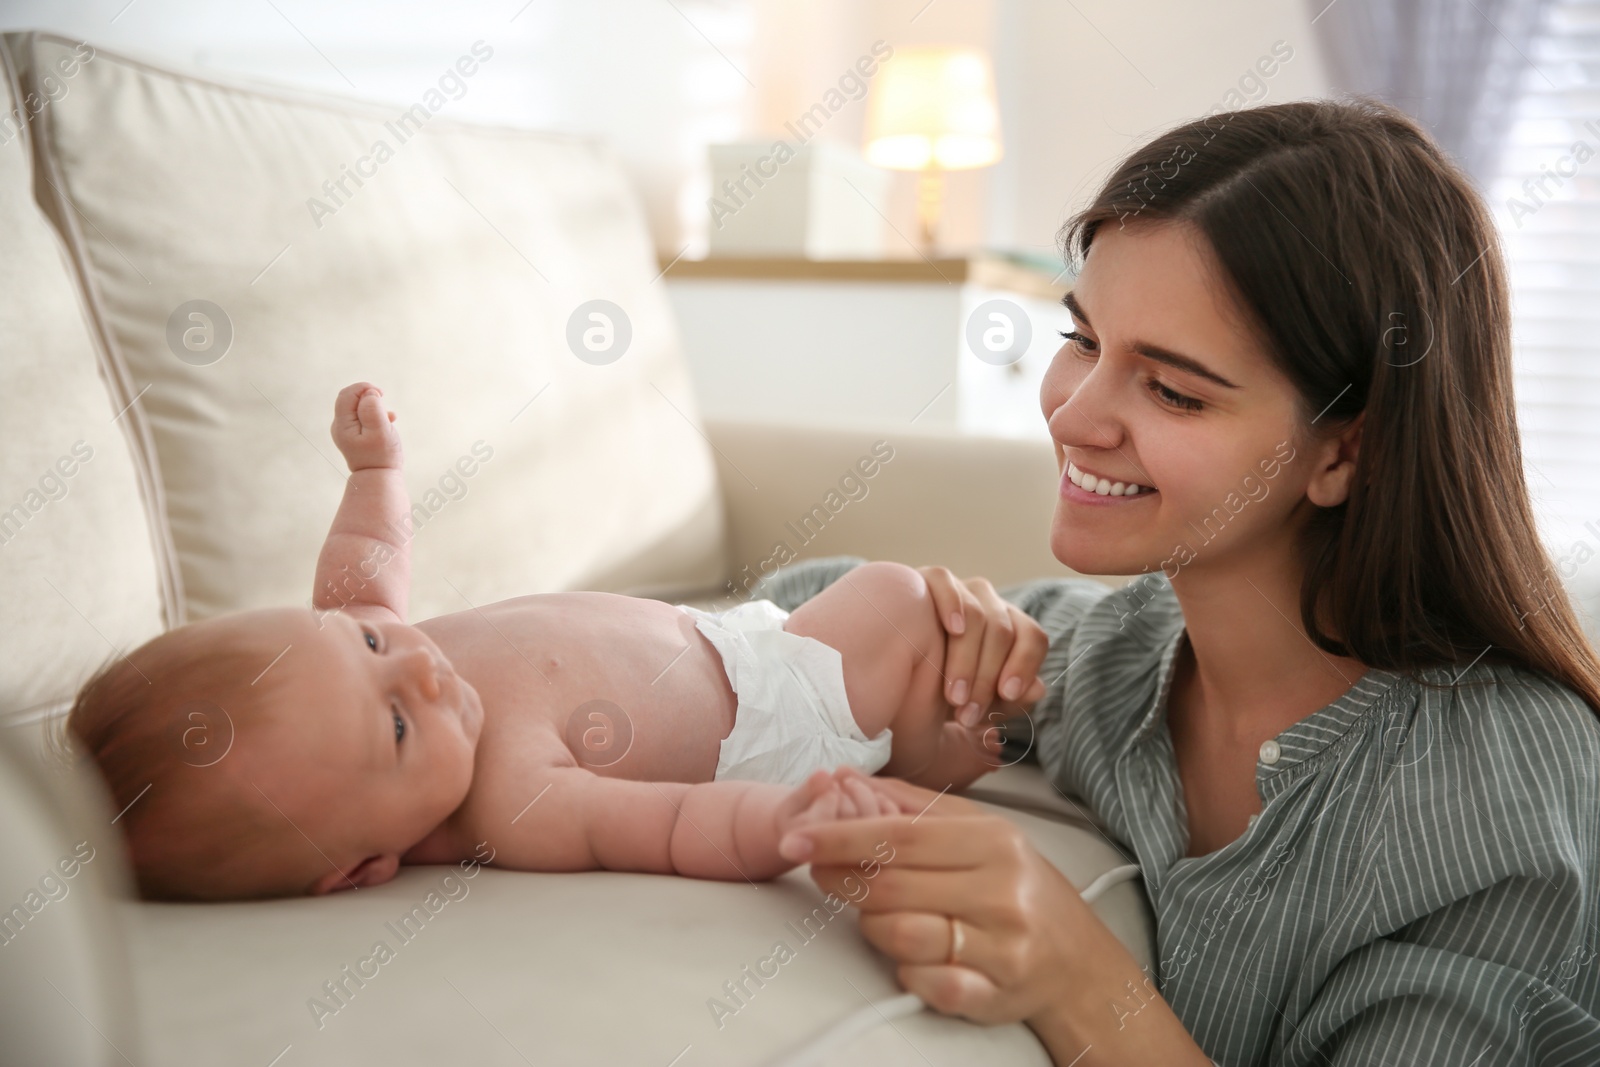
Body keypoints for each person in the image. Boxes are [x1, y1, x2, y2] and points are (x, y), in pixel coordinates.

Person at [769, 97, 1600, 1065]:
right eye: (1081, 338)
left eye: (1170, 389)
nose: (1075, 414)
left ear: (1345, 451)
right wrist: (915, 623)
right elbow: (756, 623)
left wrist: (1080, 980)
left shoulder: (1500, 787)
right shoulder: (1120, 655)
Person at [63, 382, 1050, 901]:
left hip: (722, 634)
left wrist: (375, 466)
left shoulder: (377, 642)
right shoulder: (514, 800)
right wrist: (782, 819)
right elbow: (666, 827)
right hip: (776, 709)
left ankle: (943, 730)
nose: (414, 659)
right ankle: (928, 748)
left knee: (885, 601)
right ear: (364, 866)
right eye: (399, 725)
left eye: (363, 645)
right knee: (888, 597)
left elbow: (364, 566)